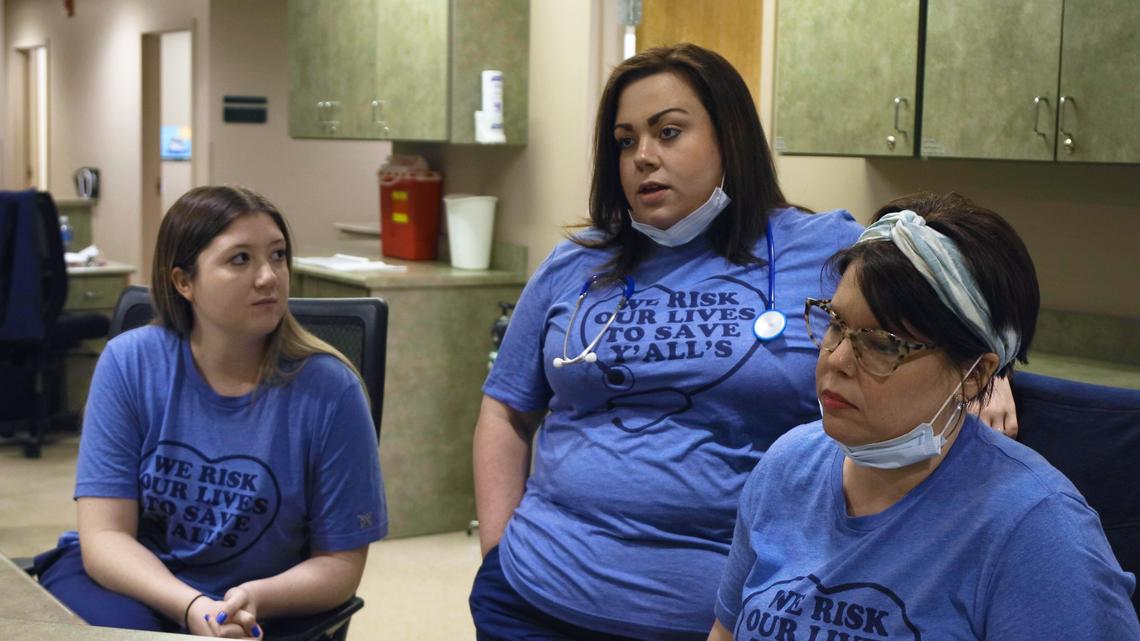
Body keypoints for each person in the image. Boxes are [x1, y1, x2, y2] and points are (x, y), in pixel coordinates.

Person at [469, 43, 865, 640]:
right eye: (625, 141)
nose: (643, 158)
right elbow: (505, 409)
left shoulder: (824, 250)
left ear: (729, 137)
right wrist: (497, 552)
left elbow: (946, 309)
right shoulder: (575, 265)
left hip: (725, 614)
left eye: (669, 132)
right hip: (532, 595)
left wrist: (985, 374)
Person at [710, 193, 1139, 640]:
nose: (835, 359)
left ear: (975, 375)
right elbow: (725, 631)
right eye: (836, 323)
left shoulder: (1036, 532)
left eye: (882, 343)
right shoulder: (787, 466)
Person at [38, 186, 387, 638]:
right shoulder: (130, 362)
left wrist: (252, 600)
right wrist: (192, 608)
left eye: (278, 256)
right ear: (184, 282)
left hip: (252, 604)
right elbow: (105, 537)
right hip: (132, 587)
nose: (268, 277)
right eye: (240, 259)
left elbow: (340, 565)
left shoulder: (331, 391)